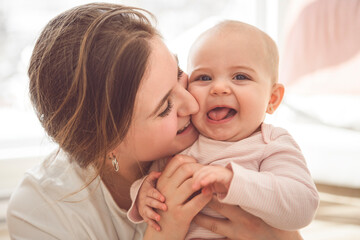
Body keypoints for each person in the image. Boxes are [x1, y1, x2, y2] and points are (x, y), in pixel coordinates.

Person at [6, 3, 305, 240]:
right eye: (165, 107)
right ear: (108, 142)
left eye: (179, 74)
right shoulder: (41, 213)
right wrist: (164, 229)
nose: (192, 101)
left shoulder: (235, 140)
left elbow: (292, 204)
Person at [129, 21, 319, 239]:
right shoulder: (184, 141)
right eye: (204, 78)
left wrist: (233, 181)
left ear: (272, 99)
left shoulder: (271, 143)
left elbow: (302, 207)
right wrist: (143, 192)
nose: (218, 88)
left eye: (240, 77)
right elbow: (155, 181)